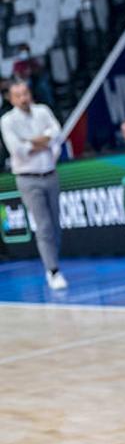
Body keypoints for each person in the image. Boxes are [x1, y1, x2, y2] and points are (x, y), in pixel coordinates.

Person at [0, 82, 67, 290]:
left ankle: (53, 262)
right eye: (18, 95)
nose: (23, 98)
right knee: (44, 225)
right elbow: (18, 150)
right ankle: (53, 270)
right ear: (11, 99)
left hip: (50, 173)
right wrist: (42, 141)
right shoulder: (7, 120)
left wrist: (31, 142)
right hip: (28, 178)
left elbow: (57, 133)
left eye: (26, 93)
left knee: (55, 224)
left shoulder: (43, 111)